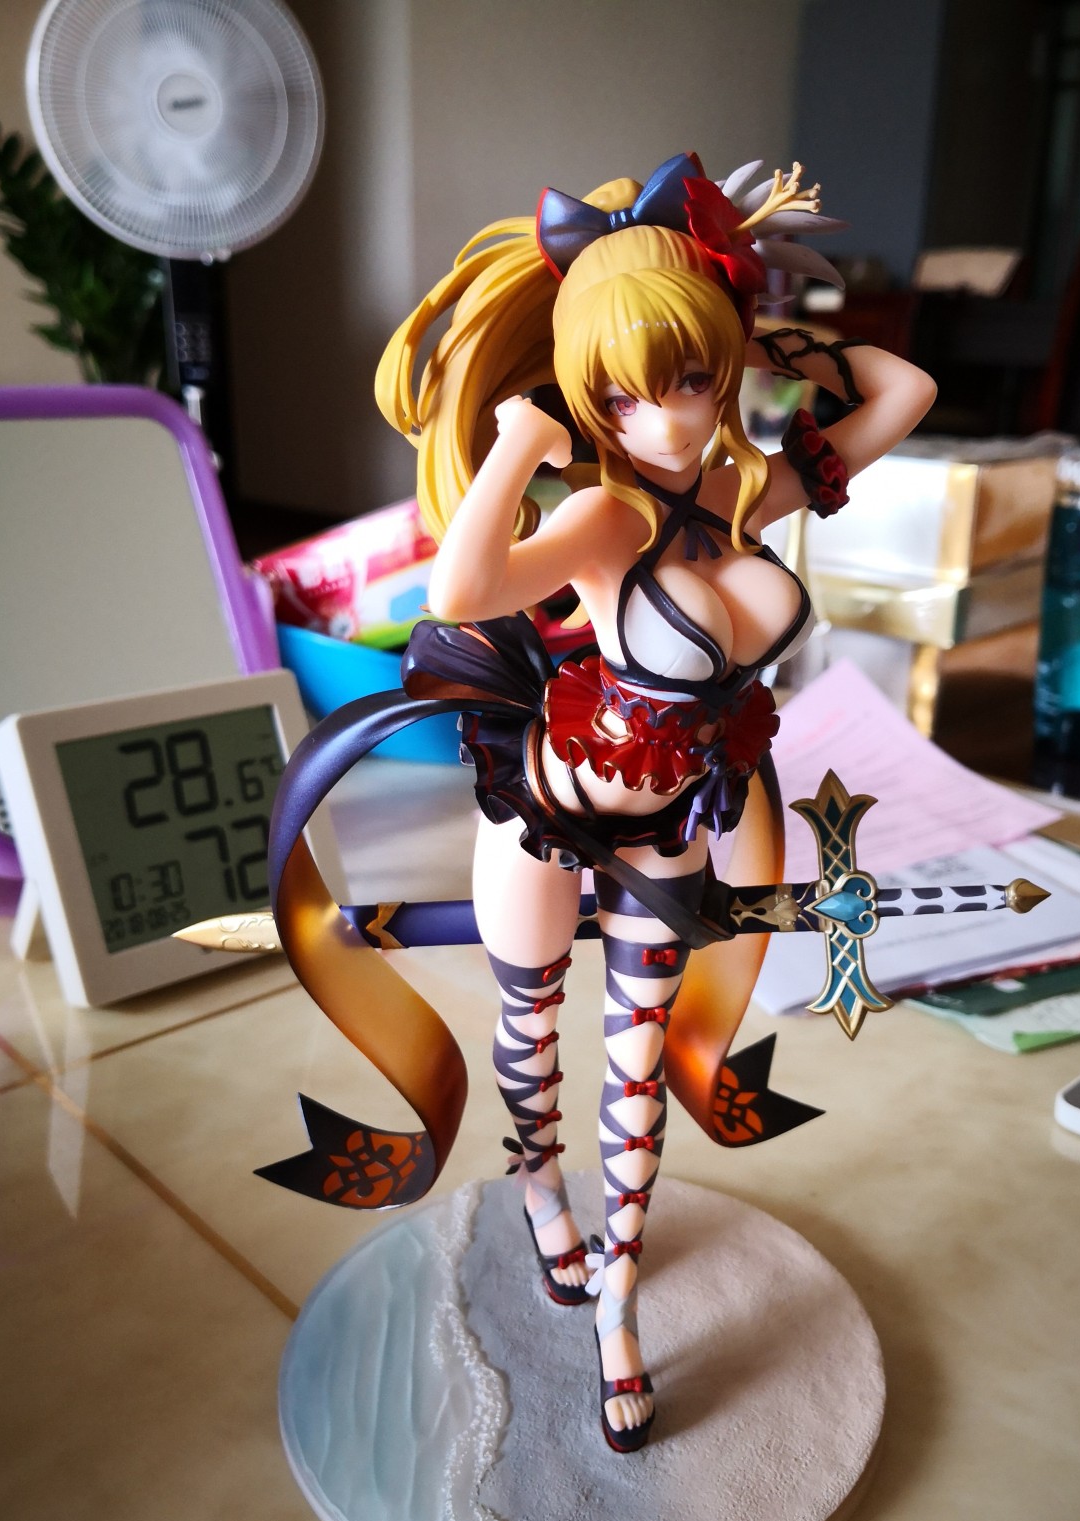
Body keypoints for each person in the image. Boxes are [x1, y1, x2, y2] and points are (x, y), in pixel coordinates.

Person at [268, 154, 935, 1452]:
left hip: (673, 823)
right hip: (549, 803)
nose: (667, 420)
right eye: (625, 392)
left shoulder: (747, 490)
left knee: (638, 1066)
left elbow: (903, 389)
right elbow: (461, 593)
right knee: (533, 1037)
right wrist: (523, 443)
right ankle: (538, 1197)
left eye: (685, 380)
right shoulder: (605, 519)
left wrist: (747, 333)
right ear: (590, 400)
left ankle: (618, 1311)